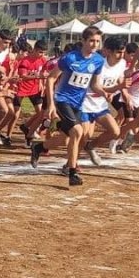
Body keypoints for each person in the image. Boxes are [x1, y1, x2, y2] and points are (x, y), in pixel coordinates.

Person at [31, 26, 104, 187]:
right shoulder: (70, 58)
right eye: (91, 41)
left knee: (70, 136)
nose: (94, 44)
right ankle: (72, 172)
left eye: (98, 41)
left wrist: (105, 93)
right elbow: (50, 79)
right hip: (62, 99)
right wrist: (50, 104)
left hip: (78, 103)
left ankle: (39, 147)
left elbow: (94, 84)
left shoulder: (98, 60)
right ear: (84, 41)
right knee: (77, 131)